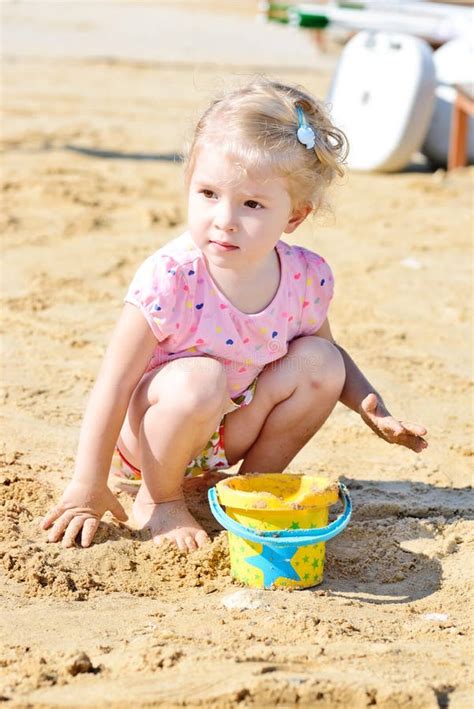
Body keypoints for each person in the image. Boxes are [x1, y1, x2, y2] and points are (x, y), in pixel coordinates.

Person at [42, 79, 428, 553]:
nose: (224, 218)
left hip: (230, 431)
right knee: (202, 378)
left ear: (294, 217)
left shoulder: (305, 277)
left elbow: (329, 357)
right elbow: (114, 383)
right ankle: (159, 500)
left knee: (320, 362)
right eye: (207, 193)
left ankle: (246, 489)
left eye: (251, 204)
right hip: (152, 435)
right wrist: (88, 483)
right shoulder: (172, 276)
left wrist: (375, 407)